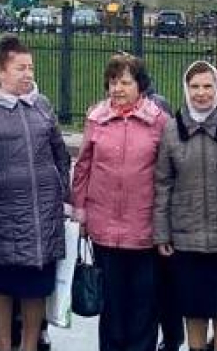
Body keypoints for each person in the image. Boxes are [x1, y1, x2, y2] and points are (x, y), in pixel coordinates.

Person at [0, 35, 71, 351]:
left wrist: (61, 195)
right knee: (2, 284)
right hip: (2, 215)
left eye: (31, 67)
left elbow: (60, 154)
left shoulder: (42, 105)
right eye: (20, 68)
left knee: (36, 286)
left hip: (42, 215)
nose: (28, 74)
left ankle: (29, 344)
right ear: (0, 71)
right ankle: (4, 344)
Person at [153, 61, 217, 351]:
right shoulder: (172, 130)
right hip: (186, 237)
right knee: (193, 309)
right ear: (186, 89)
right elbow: (163, 183)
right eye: (195, 86)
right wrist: (162, 234)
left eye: (208, 86)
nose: (201, 93)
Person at [73, 54, 168, 351]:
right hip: (103, 228)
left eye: (125, 82)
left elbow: (166, 175)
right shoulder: (96, 119)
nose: (118, 88)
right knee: (111, 305)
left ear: (140, 85)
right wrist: (81, 212)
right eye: (113, 82)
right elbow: (83, 168)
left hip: (144, 230)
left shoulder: (160, 122)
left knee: (143, 305)